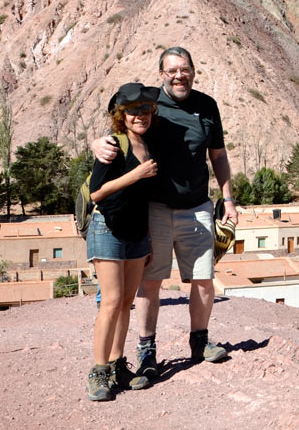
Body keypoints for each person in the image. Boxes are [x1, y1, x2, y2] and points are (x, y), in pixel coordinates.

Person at [92, 46, 237, 381]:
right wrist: (95, 144)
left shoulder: (206, 106)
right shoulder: (150, 103)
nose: (179, 76)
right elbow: (120, 123)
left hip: (198, 206)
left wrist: (227, 199)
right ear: (161, 74)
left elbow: (218, 155)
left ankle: (199, 342)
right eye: (172, 70)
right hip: (154, 207)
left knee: (203, 279)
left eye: (184, 69)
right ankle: (147, 351)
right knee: (149, 282)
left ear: (193, 70)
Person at [85, 83, 160, 401]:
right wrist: (136, 175)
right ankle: (98, 372)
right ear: (121, 115)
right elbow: (96, 193)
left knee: (126, 303)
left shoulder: (147, 144)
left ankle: (118, 365)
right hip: (108, 229)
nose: (140, 115)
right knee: (112, 303)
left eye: (145, 109)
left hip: (137, 234)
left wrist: (150, 238)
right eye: (133, 110)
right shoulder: (113, 145)